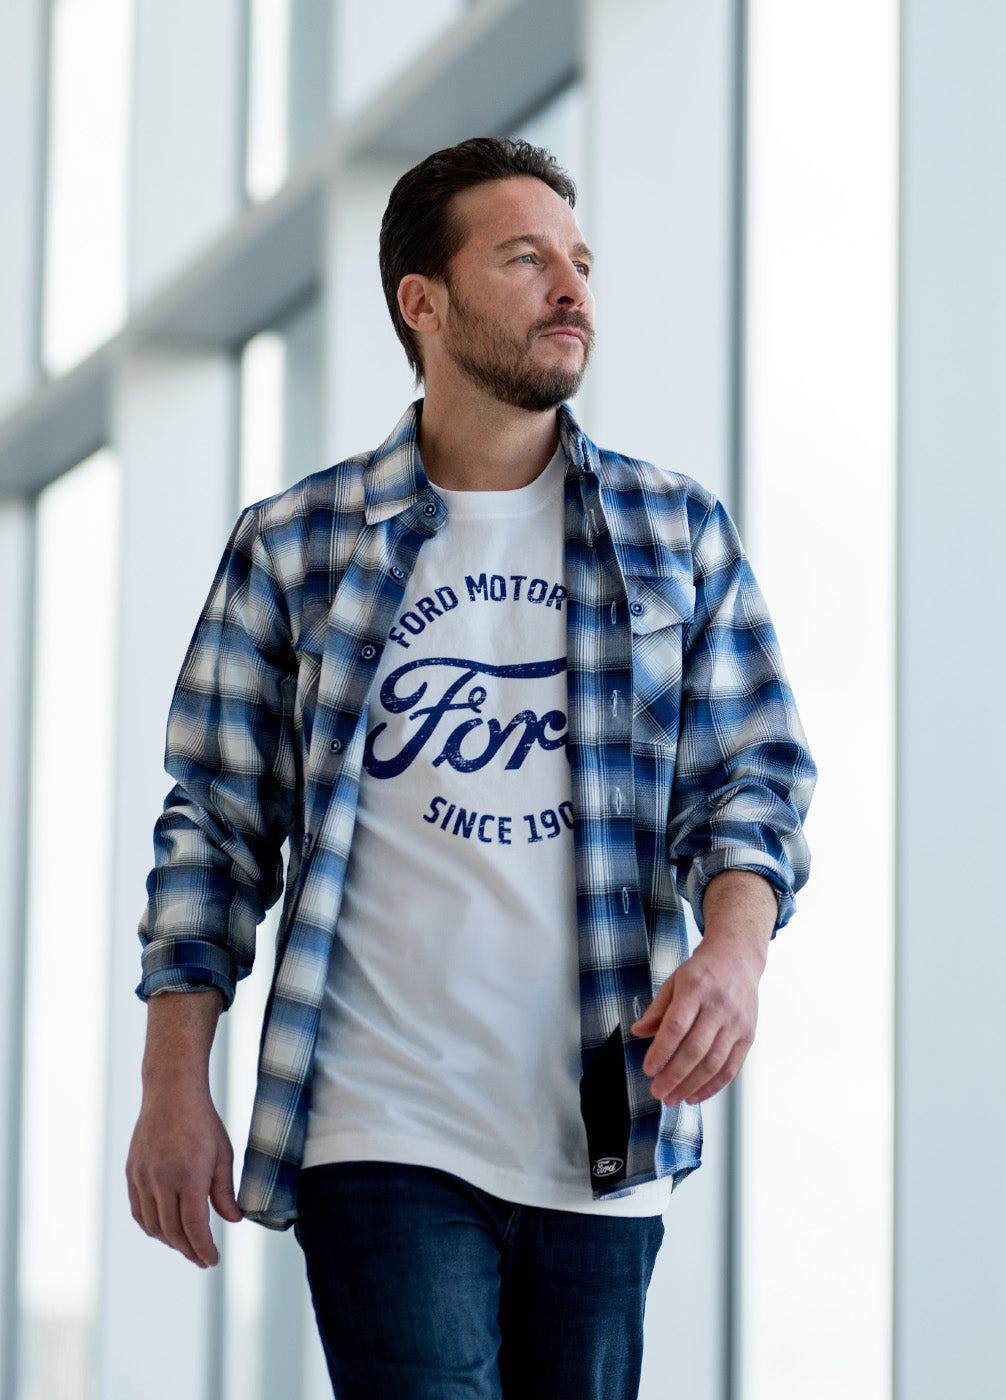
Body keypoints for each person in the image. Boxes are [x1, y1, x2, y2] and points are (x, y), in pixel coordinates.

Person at [125, 136, 814, 1400]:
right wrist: (174, 1079)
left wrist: (735, 951)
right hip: (377, 1121)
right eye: (525, 259)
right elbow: (213, 827)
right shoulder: (296, 545)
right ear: (423, 302)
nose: (571, 287)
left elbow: (751, 781)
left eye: (580, 261)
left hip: (602, 1135)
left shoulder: (674, 532)